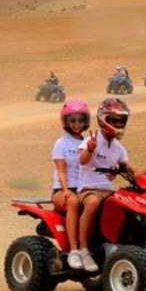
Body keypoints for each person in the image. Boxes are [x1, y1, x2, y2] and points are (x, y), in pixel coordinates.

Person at [76, 98, 146, 273]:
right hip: (89, 188)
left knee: (128, 206)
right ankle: (83, 250)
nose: (118, 123)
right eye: (114, 120)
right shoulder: (90, 141)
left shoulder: (119, 148)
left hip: (109, 190)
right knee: (92, 203)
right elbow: (82, 161)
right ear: (103, 119)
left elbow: (130, 169)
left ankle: (113, 244)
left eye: (121, 120)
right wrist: (91, 149)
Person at [51, 100, 90, 269]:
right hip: (62, 189)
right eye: (72, 120)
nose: (77, 124)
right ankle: (74, 250)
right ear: (66, 122)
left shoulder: (89, 141)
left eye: (80, 120)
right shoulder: (61, 143)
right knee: (73, 202)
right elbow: (61, 170)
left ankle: (90, 247)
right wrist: (66, 189)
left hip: (83, 188)